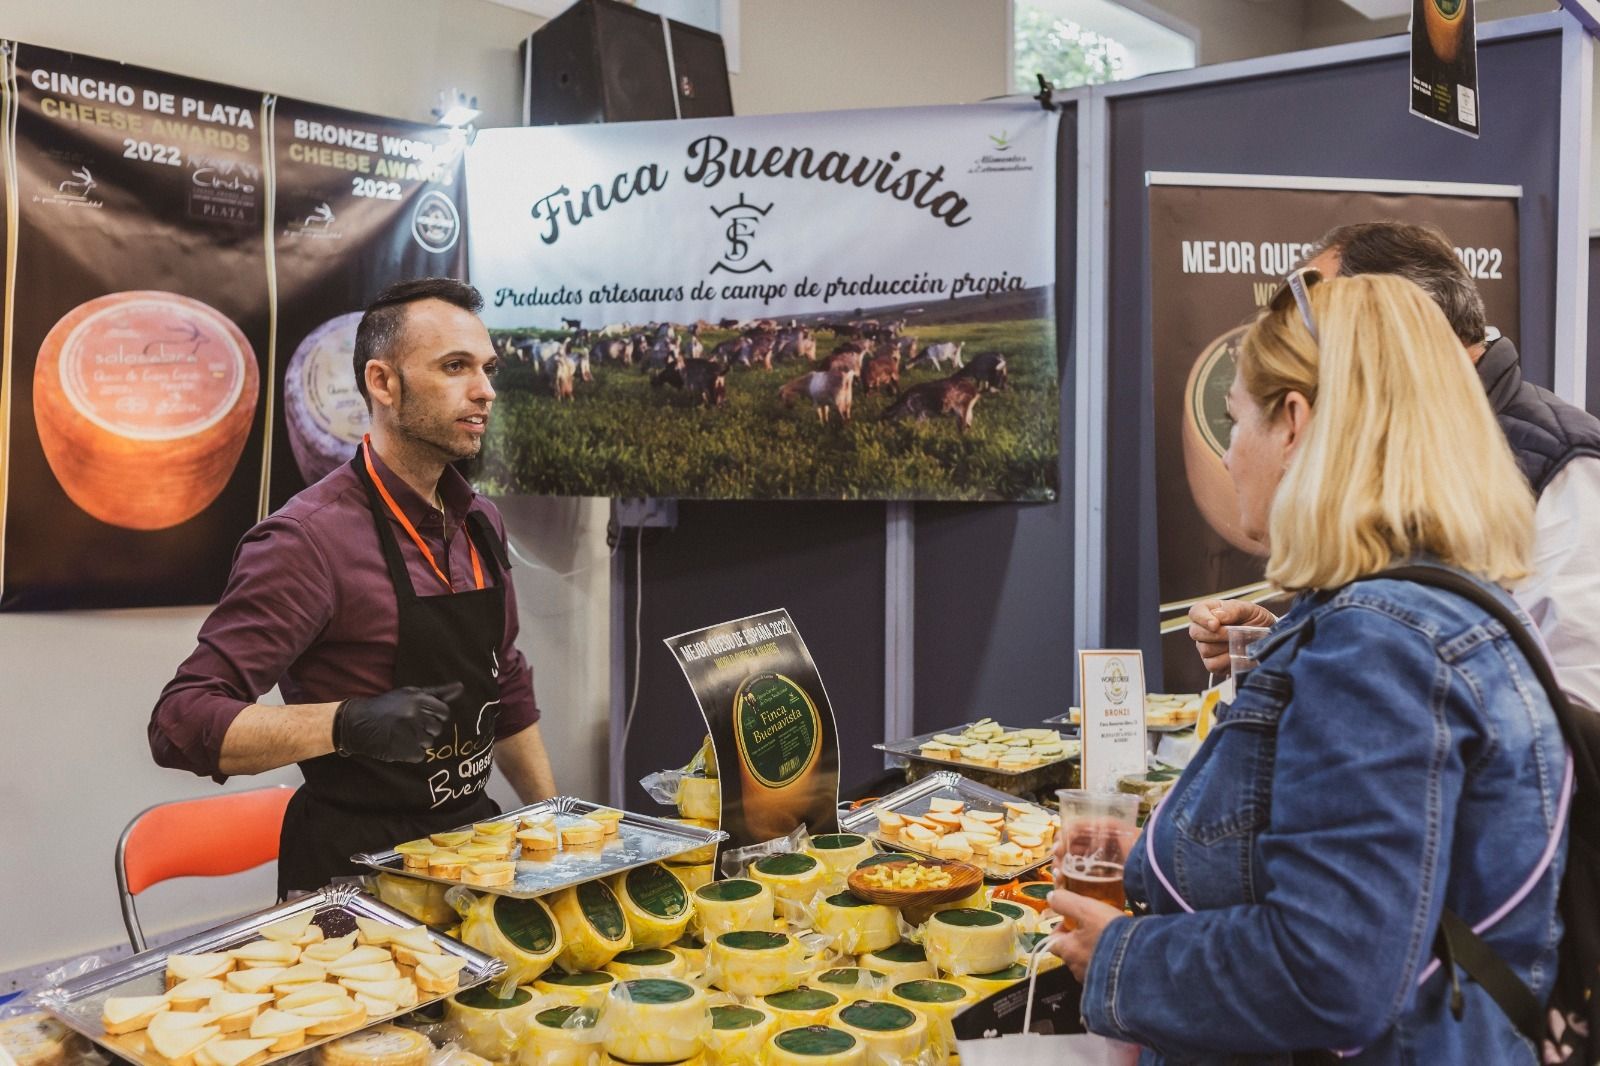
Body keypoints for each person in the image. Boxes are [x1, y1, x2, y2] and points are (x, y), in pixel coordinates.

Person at [1050, 273, 1568, 1062]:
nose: (1228, 456)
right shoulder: (1429, 610)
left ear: (1293, 423)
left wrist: (1118, 957)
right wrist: (1156, 859)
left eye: (1235, 422)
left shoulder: (1380, 647)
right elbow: (1362, 874)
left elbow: (1330, 974)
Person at [150, 278, 556, 896]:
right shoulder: (307, 541)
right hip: (355, 875)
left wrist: (554, 826)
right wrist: (343, 724)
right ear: (383, 382)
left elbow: (506, 681)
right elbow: (181, 721)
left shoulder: (479, 520)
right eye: (455, 367)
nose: (485, 390)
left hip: (473, 855)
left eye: (487, 368)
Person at [1192, 220, 1600, 713]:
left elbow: (1579, 703)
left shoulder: (1563, 459)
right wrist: (1288, 639)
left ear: (1398, 324)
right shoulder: (1397, 444)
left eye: (1324, 325)